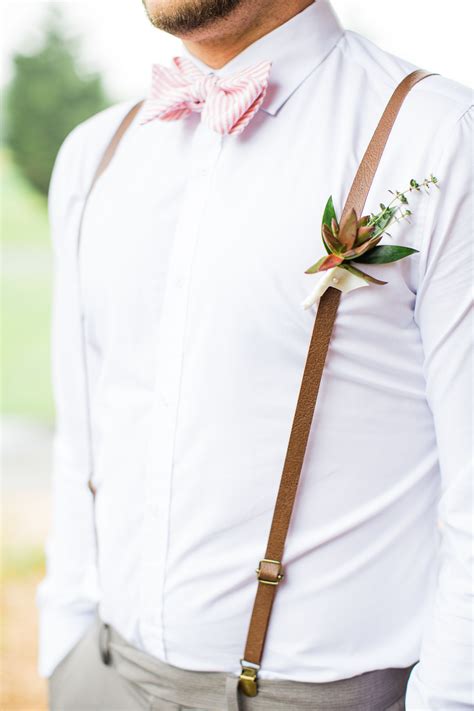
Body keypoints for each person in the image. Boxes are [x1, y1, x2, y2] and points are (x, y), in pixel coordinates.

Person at [36, 0, 473, 709]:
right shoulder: (96, 153)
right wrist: (67, 647)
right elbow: (83, 435)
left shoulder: (441, 140)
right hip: (103, 676)